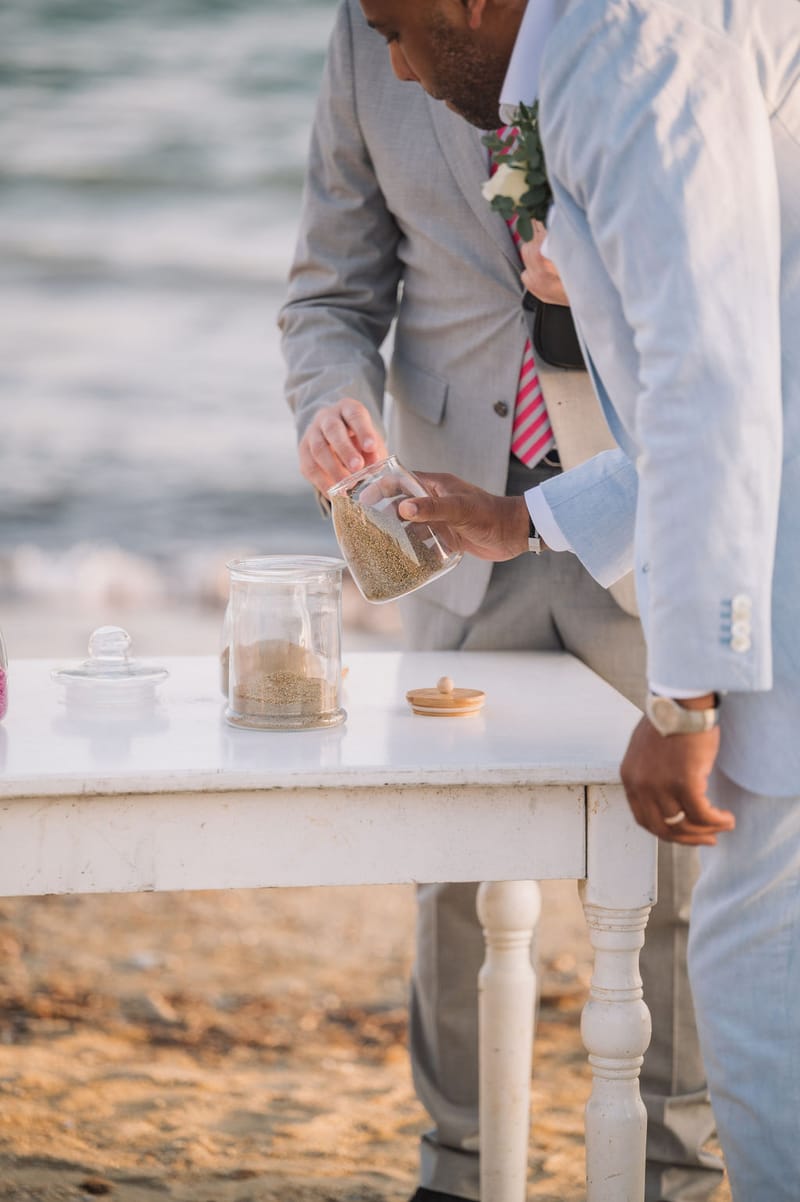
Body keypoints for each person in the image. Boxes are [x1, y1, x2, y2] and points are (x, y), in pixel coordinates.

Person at [279, 5, 722, 1201]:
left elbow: (724, 285)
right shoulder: (370, 38)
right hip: (446, 527)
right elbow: (329, 290)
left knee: (677, 857)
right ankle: (460, 1163)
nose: (393, 46)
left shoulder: (629, 38)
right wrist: (325, 399)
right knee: (454, 870)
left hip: (640, 505)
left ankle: (674, 1168)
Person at [357, 0, 800, 1198]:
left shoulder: (626, 53)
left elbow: (706, 384)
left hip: (774, 566)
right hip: (755, 536)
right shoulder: (622, 42)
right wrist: (529, 517)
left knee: (752, 968)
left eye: (392, 26)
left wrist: (680, 699)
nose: (392, 63)